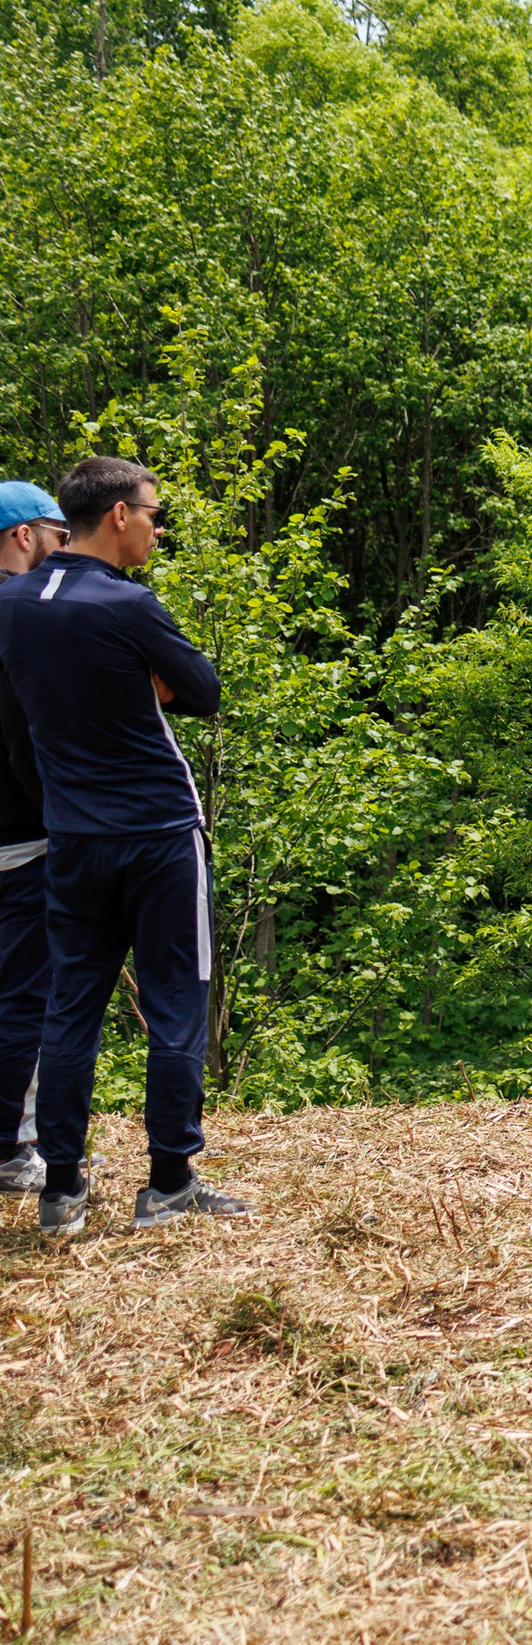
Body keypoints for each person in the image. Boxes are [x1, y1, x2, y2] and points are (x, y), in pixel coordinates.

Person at [0, 457, 241, 1239]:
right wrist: (152, 676)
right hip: (158, 832)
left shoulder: (15, 604)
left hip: (71, 836)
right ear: (115, 517)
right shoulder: (129, 605)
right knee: (175, 1003)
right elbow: (203, 691)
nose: (157, 527)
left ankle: (60, 1187)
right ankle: (169, 1180)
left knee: (71, 1007)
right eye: (152, 513)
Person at [0, 482, 67, 1196]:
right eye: (55, 531)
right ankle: (11, 1150)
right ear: (25, 535)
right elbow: (22, 739)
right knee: (24, 997)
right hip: (21, 837)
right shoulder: (15, 615)